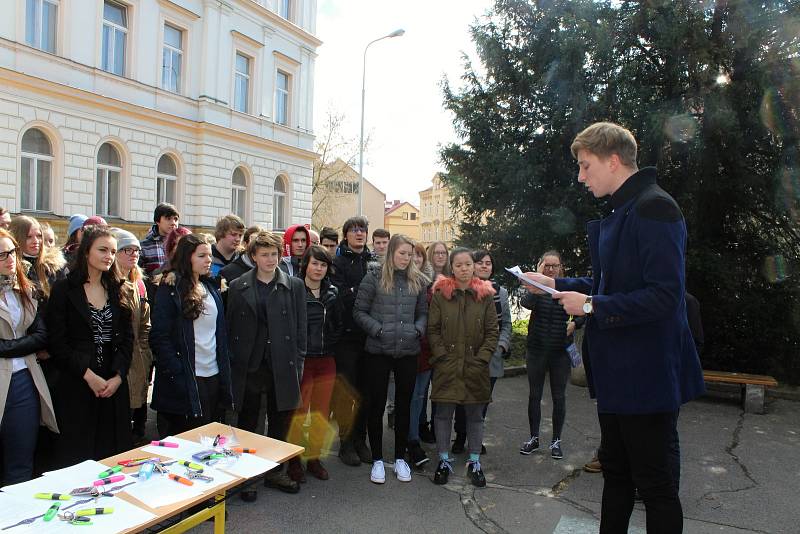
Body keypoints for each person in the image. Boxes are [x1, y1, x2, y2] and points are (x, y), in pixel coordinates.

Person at [526, 122, 705, 533]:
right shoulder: (627, 207)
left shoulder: (655, 206)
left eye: (586, 166)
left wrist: (590, 304)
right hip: (621, 376)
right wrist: (559, 285)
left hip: (646, 376)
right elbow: (614, 284)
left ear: (613, 160)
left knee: (655, 486)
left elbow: (664, 296)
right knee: (617, 475)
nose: (580, 176)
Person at [226, 231, 306, 499]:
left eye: (274, 254)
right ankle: (248, 476)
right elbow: (231, 325)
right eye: (264, 255)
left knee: (280, 419)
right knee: (249, 420)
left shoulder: (293, 285)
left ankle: (275, 471)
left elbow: (300, 327)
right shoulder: (238, 286)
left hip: (282, 362)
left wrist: (298, 362)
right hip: (251, 363)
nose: (270, 259)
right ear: (253, 257)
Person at [46, 226, 134, 467]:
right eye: (103, 250)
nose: (109, 256)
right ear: (86, 252)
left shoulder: (119, 288)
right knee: (77, 457)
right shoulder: (64, 289)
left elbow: (128, 339)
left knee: (112, 457)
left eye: (113, 251)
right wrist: (87, 375)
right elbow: (57, 342)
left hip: (112, 381)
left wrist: (118, 376)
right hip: (76, 381)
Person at [353, 234, 428, 484]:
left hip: (408, 350)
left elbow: (423, 314)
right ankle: (376, 459)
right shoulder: (373, 277)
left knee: (405, 406)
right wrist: (379, 330)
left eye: (410, 254)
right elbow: (359, 311)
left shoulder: (417, 280)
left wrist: (417, 329)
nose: (406, 258)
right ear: (391, 252)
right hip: (378, 350)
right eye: (402, 253)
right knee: (376, 405)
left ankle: (400, 458)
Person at [427, 247, 498, 488]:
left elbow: (492, 332)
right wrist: (442, 356)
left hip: (475, 367)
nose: (464, 269)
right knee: (443, 414)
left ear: (474, 266)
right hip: (447, 366)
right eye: (459, 265)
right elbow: (433, 330)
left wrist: (482, 359)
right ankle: (444, 459)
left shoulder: (485, 296)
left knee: (475, 416)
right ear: (452, 267)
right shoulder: (441, 295)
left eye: (468, 264)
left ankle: (475, 461)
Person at [149, 234, 233, 437]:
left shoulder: (212, 287)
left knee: (209, 439)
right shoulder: (170, 289)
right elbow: (159, 337)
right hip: (185, 377)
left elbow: (219, 333)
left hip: (212, 374)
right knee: (186, 439)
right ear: (188, 257)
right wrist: (178, 370)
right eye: (202, 255)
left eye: (210, 255)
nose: (209, 260)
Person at [0, 229, 58, 484]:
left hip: (24, 379)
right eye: (2, 254)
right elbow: (32, 339)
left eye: (11, 251)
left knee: (21, 461)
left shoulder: (24, 288)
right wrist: (25, 344)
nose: (10, 258)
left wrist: (7, 346)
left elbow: (42, 335)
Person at [286, 245, 343, 482]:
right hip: (303, 359)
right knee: (299, 411)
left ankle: (314, 458)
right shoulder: (293, 289)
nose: (319, 268)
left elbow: (339, 324)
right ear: (305, 265)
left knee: (320, 412)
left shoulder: (332, 292)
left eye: (323, 264)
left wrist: (330, 341)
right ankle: (294, 460)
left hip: (326, 359)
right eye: (315, 263)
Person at [519, 250, 581, 459]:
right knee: (534, 395)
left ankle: (556, 441)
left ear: (561, 267)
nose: (551, 269)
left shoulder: (568, 287)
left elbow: (588, 309)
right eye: (546, 266)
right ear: (541, 266)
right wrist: (535, 280)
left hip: (560, 351)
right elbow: (525, 303)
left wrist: (575, 323)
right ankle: (534, 438)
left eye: (554, 266)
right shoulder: (536, 288)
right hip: (536, 349)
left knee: (558, 396)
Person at [452, 249, 511, 455]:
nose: (485, 266)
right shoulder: (462, 290)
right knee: (462, 399)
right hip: (466, 355)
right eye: (480, 262)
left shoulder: (500, 292)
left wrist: (501, 346)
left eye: (489, 263)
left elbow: (506, 325)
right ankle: (460, 436)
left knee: (482, 400)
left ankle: (474, 439)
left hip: (491, 356)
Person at [330, 215, 377, 466]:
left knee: (366, 393)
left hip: (370, 338)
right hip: (346, 338)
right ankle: (346, 443)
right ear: (346, 235)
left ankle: (361, 440)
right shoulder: (337, 262)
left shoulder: (374, 261)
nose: (359, 233)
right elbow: (339, 298)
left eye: (363, 229)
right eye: (354, 230)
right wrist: (362, 290)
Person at [111, 228, 152, 444]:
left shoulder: (139, 284)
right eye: (127, 249)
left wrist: (144, 352)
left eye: (136, 250)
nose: (134, 254)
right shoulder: (110, 285)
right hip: (117, 362)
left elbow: (145, 325)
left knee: (133, 409)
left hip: (137, 356)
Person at [406, 241, 435, 466]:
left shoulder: (429, 285)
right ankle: (406, 440)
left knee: (418, 399)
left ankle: (413, 440)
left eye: (419, 255)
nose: (415, 259)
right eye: (411, 255)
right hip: (402, 349)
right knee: (404, 398)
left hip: (425, 351)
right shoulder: (396, 281)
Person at [9, 216, 65, 304]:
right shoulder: (10, 265)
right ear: (17, 238)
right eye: (29, 237)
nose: (36, 241)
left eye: (39, 236)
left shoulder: (54, 265)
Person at [139, 203, 180, 301]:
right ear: (158, 221)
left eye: (175, 219)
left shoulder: (182, 244)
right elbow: (140, 275)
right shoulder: (144, 245)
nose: (173, 222)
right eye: (168, 218)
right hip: (154, 297)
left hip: (178, 296)